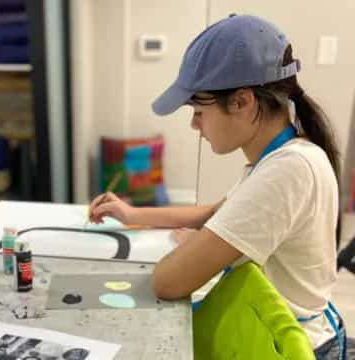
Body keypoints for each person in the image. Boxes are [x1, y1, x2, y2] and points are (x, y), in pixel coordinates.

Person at [88, 14, 346, 359]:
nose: (195, 124)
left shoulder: (288, 170)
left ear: (242, 101)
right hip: (266, 328)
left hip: (286, 344)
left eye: (198, 109)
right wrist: (132, 212)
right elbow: (214, 212)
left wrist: (203, 243)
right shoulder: (282, 156)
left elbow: (168, 281)